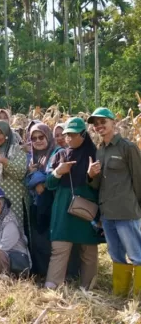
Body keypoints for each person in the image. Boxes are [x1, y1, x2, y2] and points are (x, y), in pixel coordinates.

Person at [87, 108, 141, 296]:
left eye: (103, 122)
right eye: (96, 124)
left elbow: (138, 180)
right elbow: (97, 185)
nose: (99, 126)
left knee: (136, 255)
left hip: (126, 212)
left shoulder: (128, 148)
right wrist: (90, 175)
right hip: (107, 214)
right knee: (116, 256)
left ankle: (138, 299)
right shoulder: (100, 150)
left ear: (114, 123)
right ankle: (120, 295)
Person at [44, 117, 103, 290]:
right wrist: (58, 172)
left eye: (72, 135)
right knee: (59, 249)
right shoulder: (60, 155)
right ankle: (51, 288)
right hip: (63, 209)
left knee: (89, 252)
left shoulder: (96, 155)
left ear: (83, 135)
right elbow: (49, 184)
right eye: (66, 135)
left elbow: (101, 186)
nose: (68, 138)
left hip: (88, 210)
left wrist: (91, 175)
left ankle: (88, 288)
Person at [26, 123, 63, 278]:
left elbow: (53, 177)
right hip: (38, 205)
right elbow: (29, 181)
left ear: (48, 136)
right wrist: (34, 177)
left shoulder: (57, 153)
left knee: (51, 242)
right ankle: (41, 274)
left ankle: (54, 275)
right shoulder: (34, 156)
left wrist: (37, 178)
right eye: (34, 138)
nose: (38, 141)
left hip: (54, 203)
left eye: (41, 137)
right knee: (39, 241)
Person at [0, 120, 28, 226]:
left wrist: (4, 161)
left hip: (14, 200)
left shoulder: (17, 149)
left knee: (14, 231)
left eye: (0, 133)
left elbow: (20, 173)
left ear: (7, 133)